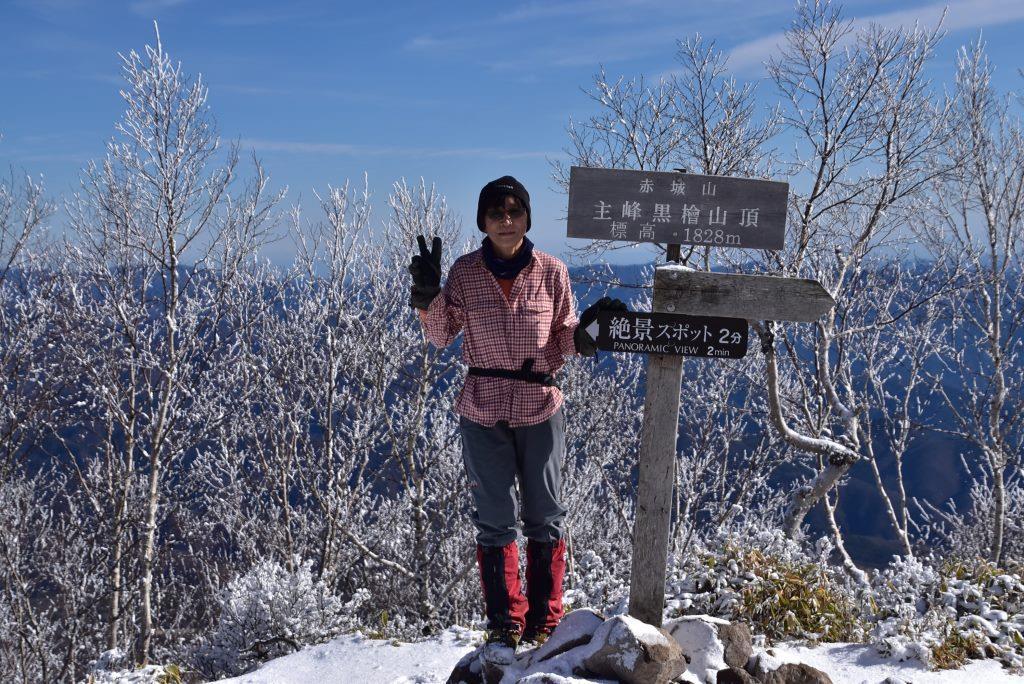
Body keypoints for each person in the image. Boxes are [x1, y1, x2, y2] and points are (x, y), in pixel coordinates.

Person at [408, 175, 625, 649]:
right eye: (496, 213)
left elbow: (563, 335)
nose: (506, 221)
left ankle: (545, 621)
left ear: (528, 217)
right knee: (494, 516)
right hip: (482, 404)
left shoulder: (552, 271)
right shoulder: (465, 273)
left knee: (545, 514)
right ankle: (506, 621)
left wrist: (588, 335)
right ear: (483, 222)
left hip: (539, 404)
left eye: (514, 211)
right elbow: (443, 335)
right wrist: (428, 298)